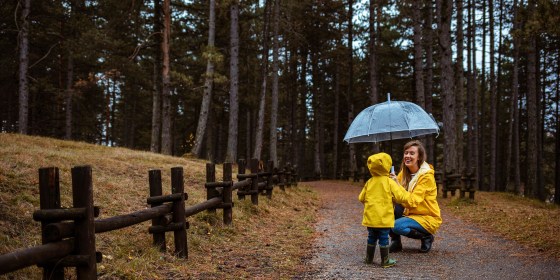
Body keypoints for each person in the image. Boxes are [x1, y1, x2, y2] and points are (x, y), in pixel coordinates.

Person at [388, 140, 442, 253]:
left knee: (396, 226)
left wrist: (397, 185)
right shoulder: (404, 173)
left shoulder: (426, 177)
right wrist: (389, 183)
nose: (407, 156)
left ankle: (426, 236)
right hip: (409, 212)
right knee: (384, 211)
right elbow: (394, 195)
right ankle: (396, 242)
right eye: (406, 153)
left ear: (419, 157)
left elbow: (412, 201)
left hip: (425, 216)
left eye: (412, 153)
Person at [358, 152, 410, 268]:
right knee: (383, 238)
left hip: (371, 218)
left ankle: (369, 258)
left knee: (371, 237)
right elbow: (400, 197)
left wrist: (371, 205)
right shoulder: (389, 182)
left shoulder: (369, 182)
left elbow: (361, 198)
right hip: (384, 218)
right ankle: (385, 260)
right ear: (387, 165)